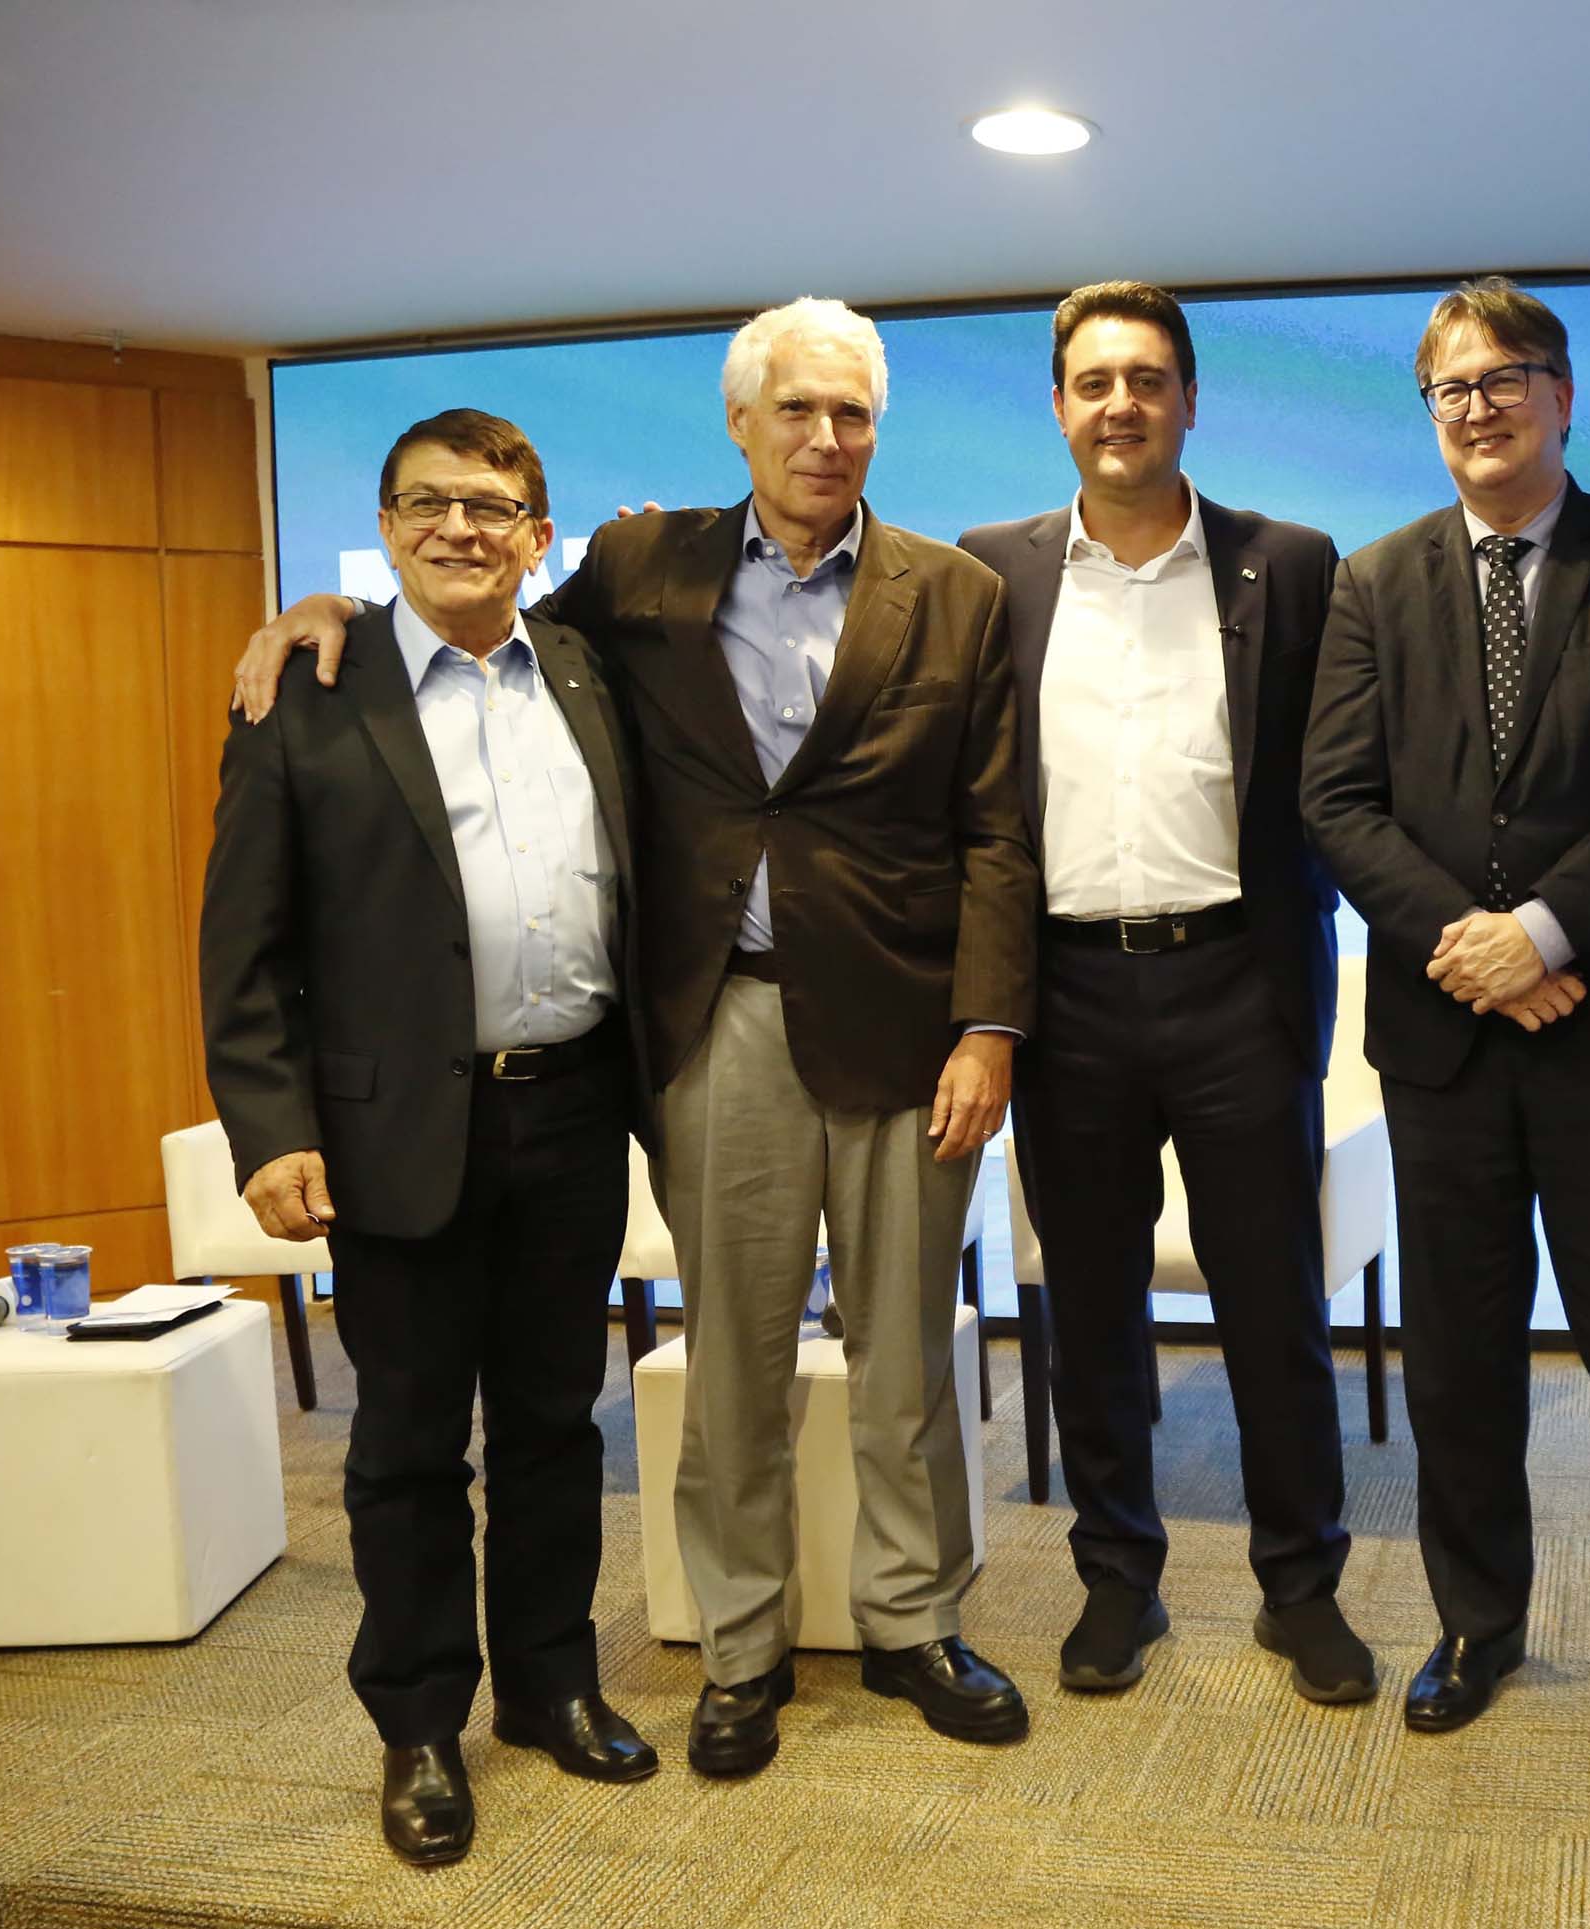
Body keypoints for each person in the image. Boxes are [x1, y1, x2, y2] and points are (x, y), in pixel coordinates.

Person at [228, 298, 1037, 1774]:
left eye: (851, 412)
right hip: (716, 1020)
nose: (823, 437)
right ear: (739, 423)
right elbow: (467, 621)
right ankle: (740, 1649)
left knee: (904, 1356)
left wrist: (988, 1025)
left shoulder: (956, 592)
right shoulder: (641, 569)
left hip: (906, 1028)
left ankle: (913, 1619)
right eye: (794, 409)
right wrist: (318, 611)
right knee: (730, 1363)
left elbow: (996, 826)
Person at [203, 408, 657, 1864]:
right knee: (405, 1446)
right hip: (393, 1131)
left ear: (538, 532)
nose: (460, 527)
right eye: (427, 504)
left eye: (491, 505)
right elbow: (244, 941)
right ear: (388, 527)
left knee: (553, 1426)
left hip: (574, 1110)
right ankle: (417, 1725)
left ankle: (549, 1684)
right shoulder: (310, 691)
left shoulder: (587, 669)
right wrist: (268, 1128)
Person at [1301, 278, 1590, 1756]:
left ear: (1562, 395)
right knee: (1459, 1362)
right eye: (1451, 387)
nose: (1477, 408)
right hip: (1447, 1043)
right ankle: (1476, 1622)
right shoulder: (1374, 581)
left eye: (1504, 378)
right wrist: (1472, 948)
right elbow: (1336, 800)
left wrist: (1543, 933)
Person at [957, 283, 1371, 1704]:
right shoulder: (992, 570)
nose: (1119, 403)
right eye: (1093, 381)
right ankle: (1117, 1582)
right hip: (1067, 994)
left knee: (1274, 1305)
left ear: (1190, 400)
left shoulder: (1288, 563)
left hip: (1238, 984)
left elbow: (1334, 777)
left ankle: (1302, 1588)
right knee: (1092, 1307)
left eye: (1146, 378)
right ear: (1058, 407)